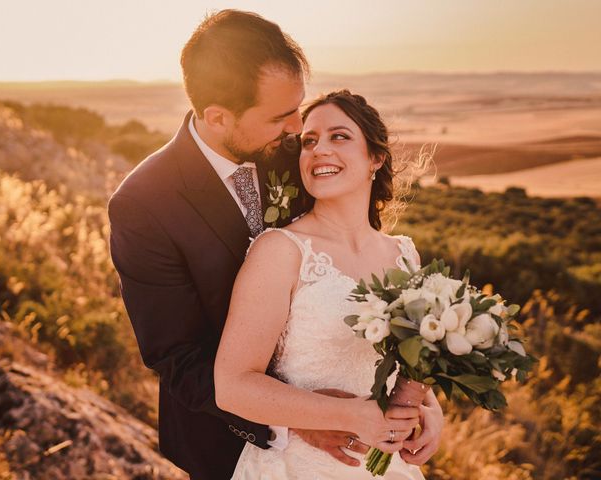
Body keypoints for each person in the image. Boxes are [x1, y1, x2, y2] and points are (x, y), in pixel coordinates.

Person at [109, 9, 442, 480]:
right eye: (281, 116)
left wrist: (422, 403)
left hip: (366, 444)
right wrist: (299, 418)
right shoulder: (144, 204)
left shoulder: (303, 154)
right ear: (219, 118)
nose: (296, 129)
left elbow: (359, 266)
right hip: (237, 446)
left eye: (298, 108)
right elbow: (176, 356)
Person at [214, 90, 443, 479]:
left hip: (390, 467)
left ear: (376, 157)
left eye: (339, 136)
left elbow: (407, 362)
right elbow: (232, 387)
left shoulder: (405, 255)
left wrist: (430, 410)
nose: (319, 150)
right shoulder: (280, 251)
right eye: (309, 141)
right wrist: (351, 416)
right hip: (298, 467)